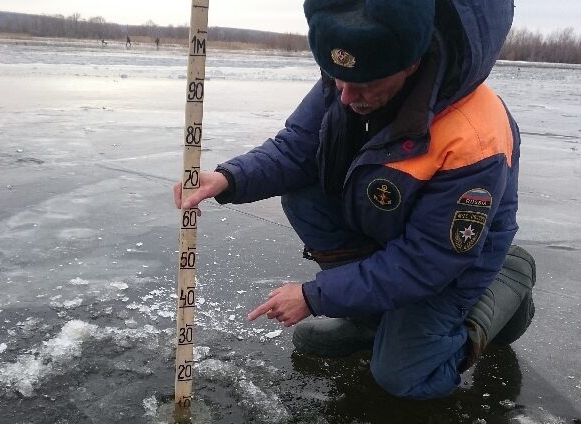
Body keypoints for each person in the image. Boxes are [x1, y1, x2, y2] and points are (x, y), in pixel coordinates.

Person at [173, 0, 536, 400]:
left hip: (454, 258)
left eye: (362, 86)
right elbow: (298, 147)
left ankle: (506, 284)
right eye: (336, 81)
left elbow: (426, 261)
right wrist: (228, 179)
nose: (345, 98)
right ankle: (373, 320)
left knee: (403, 377)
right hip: (396, 220)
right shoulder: (353, 71)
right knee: (305, 196)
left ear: (411, 64)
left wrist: (316, 296)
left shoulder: (474, 138)